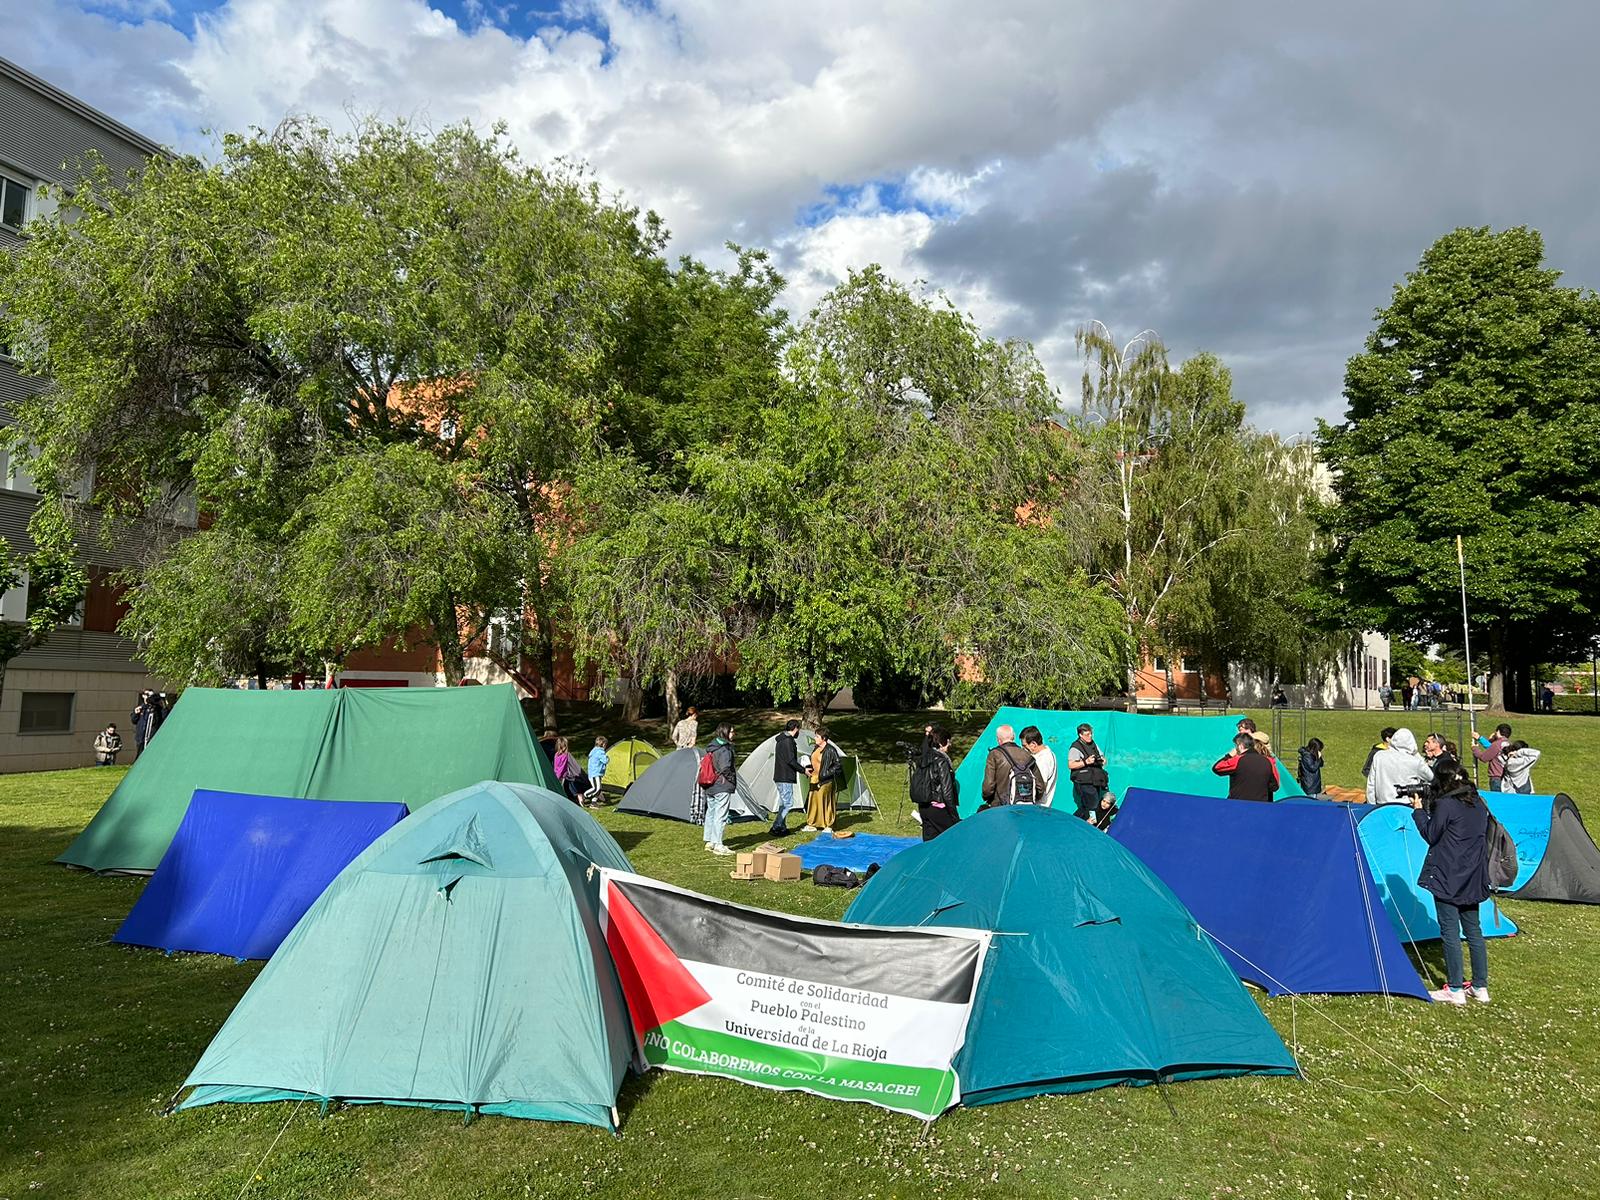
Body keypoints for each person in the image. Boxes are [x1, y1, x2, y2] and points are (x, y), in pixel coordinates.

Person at [1409, 762, 1491, 1005]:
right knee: (1474, 930)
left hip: (1448, 874)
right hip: (1473, 876)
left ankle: (1455, 989)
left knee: (1450, 932)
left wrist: (1418, 810)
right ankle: (1480, 986)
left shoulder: (1446, 804)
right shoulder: (1477, 802)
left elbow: (1431, 834)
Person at [981, 724, 1044, 808]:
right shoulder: (1027, 755)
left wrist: (986, 797)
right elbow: (1040, 787)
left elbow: (988, 787)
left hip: (1000, 807)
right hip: (1024, 808)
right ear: (1013, 737)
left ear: (998, 740)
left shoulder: (994, 754)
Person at [1366, 728, 1433, 805]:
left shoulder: (1379, 756)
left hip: (1382, 804)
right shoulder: (1414, 761)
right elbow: (1430, 777)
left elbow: (1371, 784)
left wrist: (1371, 805)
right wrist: (1416, 753)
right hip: (1406, 804)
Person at [916, 725, 961, 841]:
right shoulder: (941, 761)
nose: (949, 744)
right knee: (951, 840)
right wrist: (954, 815)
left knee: (929, 843)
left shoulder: (923, 758)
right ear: (941, 743)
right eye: (948, 741)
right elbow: (947, 791)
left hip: (924, 807)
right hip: (939, 808)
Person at [701, 723, 738, 855]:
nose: (734, 734)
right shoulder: (725, 749)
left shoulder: (712, 747)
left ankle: (710, 841)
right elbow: (725, 768)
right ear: (725, 732)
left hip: (709, 784)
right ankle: (718, 844)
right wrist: (732, 780)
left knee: (711, 812)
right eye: (732, 732)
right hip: (722, 784)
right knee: (720, 815)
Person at [1212, 731, 1280, 801]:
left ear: (1240, 746)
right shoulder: (1269, 761)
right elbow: (1275, 786)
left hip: (1238, 805)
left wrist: (1229, 755)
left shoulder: (1237, 760)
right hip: (1260, 805)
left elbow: (1217, 768)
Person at [1066, 723, 1110, 821]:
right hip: (1084, 781)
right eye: (1087, 734)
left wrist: (1102, 760)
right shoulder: (1075, 747)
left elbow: (1102, 756)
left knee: (1090, 805)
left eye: (1091, 734)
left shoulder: (1093, 744)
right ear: (1080, 735)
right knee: (1091, 805)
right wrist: (1086, 762)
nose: (1090, 736)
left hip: (1095, 780)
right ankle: (1077, 821)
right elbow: (1071, 765)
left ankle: (1079, 823)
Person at [803, 725, 841, 834]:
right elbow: (815, 762)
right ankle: (812, 824)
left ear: (823, 738)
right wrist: (808, 767)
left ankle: (828, 825)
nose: (815, 738)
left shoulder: (830, 750)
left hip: (825, 780)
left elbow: (838, 765)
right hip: (814, 779)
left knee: (826, 802)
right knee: (813, 801)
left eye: (817, 736)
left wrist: (826, 773)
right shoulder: (816, 748)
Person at [769, 719, 803, 835]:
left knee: (783, 803)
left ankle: (782, 828)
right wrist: (803, 770)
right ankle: (776, 826)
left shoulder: (781, 740)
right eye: (799, 729)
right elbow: (791, 760)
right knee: (788, 803)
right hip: (785, 776)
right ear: (795, 728)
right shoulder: (788, 741)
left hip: (779, 776)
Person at [1020, 725, 1058, 808]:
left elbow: (1040, 786)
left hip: (1039, 807)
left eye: (1024, 746)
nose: (1023, 749)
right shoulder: (1048, 754)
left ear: (1033, 744)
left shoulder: (1043, 760)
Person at [1471, 723, 1513, 792]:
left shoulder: (1496, 744)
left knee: (1497, 799)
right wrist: (1480, 738)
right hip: (1507, 776)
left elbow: (1484, 758)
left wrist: (1475, 748)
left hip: (1496, 777)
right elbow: (1491, 748)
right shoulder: (1509, 744)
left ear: (1498, 731)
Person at [551, 736, 582, 802]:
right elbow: (558, 766)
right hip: (559, 775)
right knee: (560, 788)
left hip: (561, 775)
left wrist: (556, 774)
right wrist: (557, 775)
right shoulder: (561, 755)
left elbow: (559, 767)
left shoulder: (559, 754)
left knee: (562, 787)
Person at [582, 737, 609, 806]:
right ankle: (584, 795)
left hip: (593, 773)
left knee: (598, 789)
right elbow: (605, 760)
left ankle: (593, 803)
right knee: (597, 788)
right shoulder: (600, 752)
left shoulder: (594, 750)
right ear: (603, 744)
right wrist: (608, 758)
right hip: (595, 773)